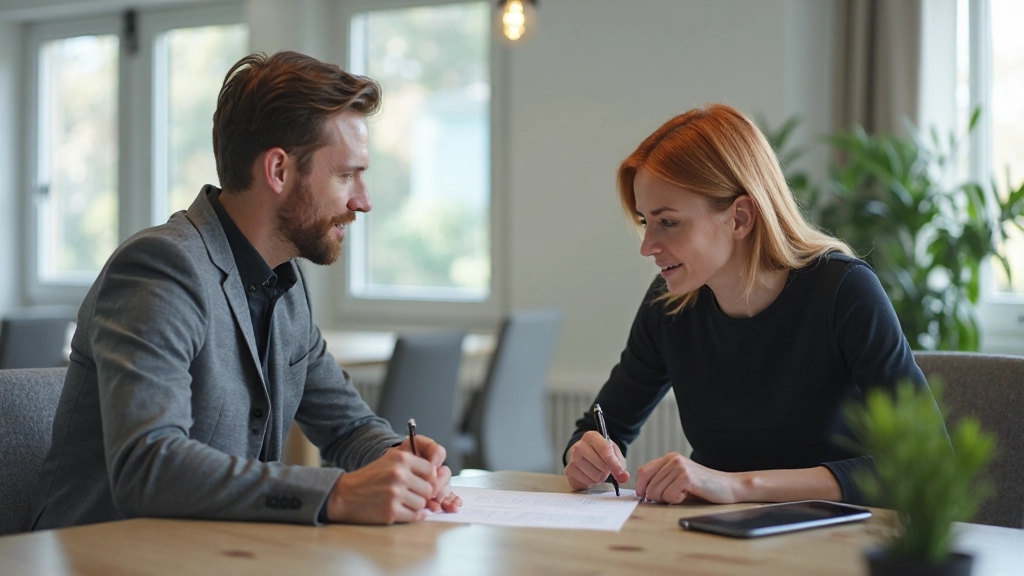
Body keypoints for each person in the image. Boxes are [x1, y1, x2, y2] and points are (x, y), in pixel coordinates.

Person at [31, 51, 461, 529]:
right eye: (346, 175)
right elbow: (146, 466)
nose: (363, 201)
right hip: (103, 556)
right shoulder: (160, 269)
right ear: (278, 170)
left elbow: (350, 428)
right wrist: (334, 493)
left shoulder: (286, 285)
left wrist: (400, 461)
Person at [562, 104, 941, 506]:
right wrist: (584, 456)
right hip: (713, 542)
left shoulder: (844, 291)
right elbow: (600, 428)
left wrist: (738, 486)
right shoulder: (667, 305)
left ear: (740, 218)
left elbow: (926, 461)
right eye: (644, 222)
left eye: (668, 222)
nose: (647, 246)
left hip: (838, 545)